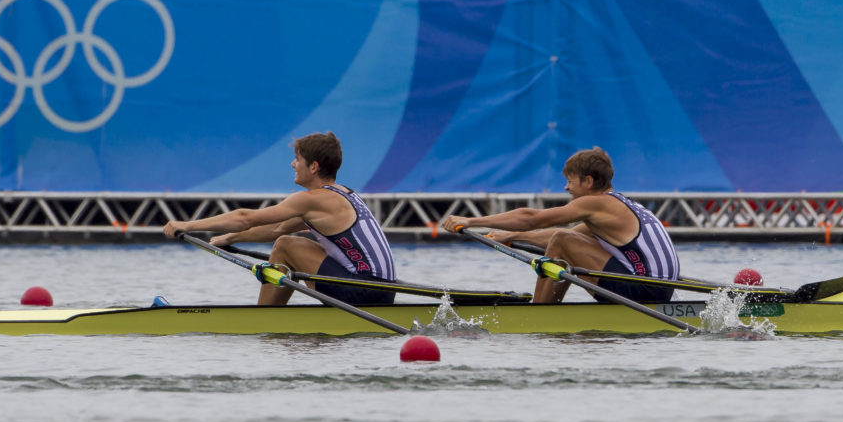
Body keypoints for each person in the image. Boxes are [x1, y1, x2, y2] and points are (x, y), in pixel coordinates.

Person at [163, 132, 397, 306]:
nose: (292, 164)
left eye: (297, 159)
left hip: (365, 290)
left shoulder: (312, 200)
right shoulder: (342, 194)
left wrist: (187, 225)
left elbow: (246, 218)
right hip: (381, 290)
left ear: (313, 166)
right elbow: (276, 229)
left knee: (287, 245)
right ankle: (271, 313)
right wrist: (231, 238)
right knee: (285, 240)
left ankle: (265, 317)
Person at [440, 146, 678, 304]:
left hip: (644, 291)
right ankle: (546, 308)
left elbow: (533, 218)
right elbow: (564, 237)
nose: (566, 188)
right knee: (564, 240)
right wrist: (511, 236)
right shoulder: (616, 207)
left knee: (563, 241)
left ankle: (541, 313)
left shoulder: (596, 204)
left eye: (569, 181)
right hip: (658, 289)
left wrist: (471, 221)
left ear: (588, 181)